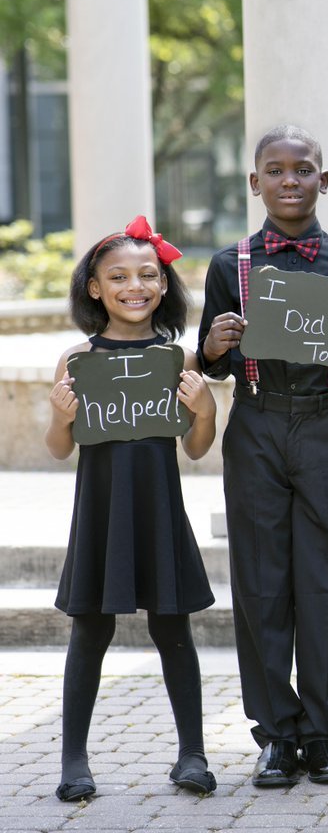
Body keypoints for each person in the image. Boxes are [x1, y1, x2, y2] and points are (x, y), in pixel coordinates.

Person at [198, 125, 328, 787]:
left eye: (302, 169)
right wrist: (217, 342)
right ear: (254, 183)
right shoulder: (231, 266)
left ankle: (323, 730)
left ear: (322, 181)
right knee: (260, 578)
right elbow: (210, 364)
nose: (288, 180)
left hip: (325, 425)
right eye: (274, 170)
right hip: (254, 423)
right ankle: (276, 733)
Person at [46, 216, 218, 801]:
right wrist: (60, 417)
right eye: (117, 276)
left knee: (175, 629)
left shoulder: (177, 359)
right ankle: (74, 761)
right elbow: (58, 448)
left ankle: (191, 754)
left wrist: (206, 412)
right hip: (100, 511)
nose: (134, 286)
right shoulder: (77, 360)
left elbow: (195, 449)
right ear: (95, 288)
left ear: (164, 285)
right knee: (88, 632)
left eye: (147, 274)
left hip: (158, 509)